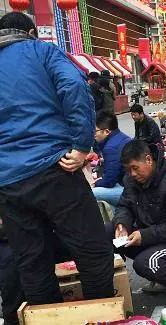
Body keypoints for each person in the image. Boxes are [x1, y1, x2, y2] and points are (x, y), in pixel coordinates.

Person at [0, 12, 114, 305]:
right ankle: (100, 315)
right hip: (54, 167)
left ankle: (46, 317)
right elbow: (75, 88)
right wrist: (81, 145)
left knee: (32, 262)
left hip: (9, 182)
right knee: (93, 250)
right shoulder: (42, 51)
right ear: (32, 32)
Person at [111, 140, 166, 304]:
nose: (132, 174)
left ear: (149, 160)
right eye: (128, 170)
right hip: (148, 235)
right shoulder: (132, 180)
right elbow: (124, 205)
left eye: (135, 168)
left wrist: (144, 235)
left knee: (146, 263)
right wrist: (121, 224)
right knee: (106, 232)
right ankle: (114, 285)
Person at [92, 112, 132, 207]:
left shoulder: (111, 147)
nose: (93, 135)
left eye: (95, 131)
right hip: (129, 183)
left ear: (106, 131)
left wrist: (95, 183)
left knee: (91, 193)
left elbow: (109, 181)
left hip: (128, 190)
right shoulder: (121, 137)